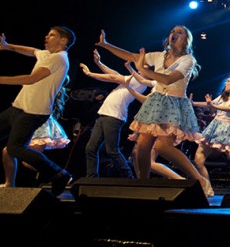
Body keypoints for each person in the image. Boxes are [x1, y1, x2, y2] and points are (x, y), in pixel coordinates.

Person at [95, 27, 213, 196]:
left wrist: (144, 70)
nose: (174, 33)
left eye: (179, 32)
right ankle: (143, 183)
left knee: (164, 146)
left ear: (186, 39)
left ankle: (200, 179)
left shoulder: (188, 60)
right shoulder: (158, 55)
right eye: (173, 31)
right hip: (156, 102)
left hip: (174, 103)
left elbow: (168, 79)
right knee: (142, 147)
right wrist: (106, 45)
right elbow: (132, 56)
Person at [0, 27, 76, 196]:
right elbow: (33, 51)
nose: (47, 36)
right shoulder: (47, 55)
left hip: (34, 112)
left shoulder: (60, 59)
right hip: (18, 108)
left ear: (64, 41)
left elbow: (32, 78)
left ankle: (60, 175)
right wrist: (8, 46)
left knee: (15, 148)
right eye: (47, 34)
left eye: (52, 35)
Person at [80, 50, 147, 179]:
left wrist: (90, 74)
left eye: (142, 68)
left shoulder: (140, 81)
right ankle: (91, 179)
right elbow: (114, 74)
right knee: (91, 148)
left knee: (112, 151)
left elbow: (112, 77)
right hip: (104, 115)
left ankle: (128, 177)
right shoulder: (131, 79)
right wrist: (99, 63)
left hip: (114, 117)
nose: (139, 69)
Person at [0, 78, 71, 188]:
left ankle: (57, 174)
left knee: (24, 159)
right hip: (30, 124)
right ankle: (9, 183)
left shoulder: (50, 90)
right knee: (7, 152)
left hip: (40, 127)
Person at [124, 74, 184, 180]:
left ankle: (180, 180)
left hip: (158, 126)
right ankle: (142, 183)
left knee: (148, 161)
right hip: (149, 124)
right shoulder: (156, 86)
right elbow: (143, 88)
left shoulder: (166, 88)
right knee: (137, 155)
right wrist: (129, 86)